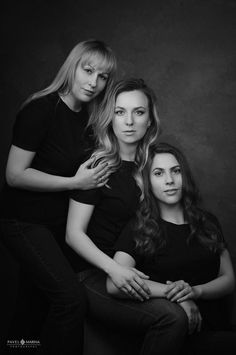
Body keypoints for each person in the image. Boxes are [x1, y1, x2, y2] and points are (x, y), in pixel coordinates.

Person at [0, 39, 117, 355]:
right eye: (87, 70)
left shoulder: (88, 117)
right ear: (72, 67)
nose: (93, 82)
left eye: (102, 76)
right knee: (70, 299)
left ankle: (16, 348)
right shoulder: (42, 108)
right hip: (22, 222)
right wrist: (74, 181)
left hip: (52, 226)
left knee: (31, 308)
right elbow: (14, 175)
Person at [66, 79, 189, 355]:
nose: (129, 121)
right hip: (95, 274)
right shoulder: (99, 165)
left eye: (139, 112)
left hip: (137, 271)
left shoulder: (154, 166)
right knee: (172, 318)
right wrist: (114, 269)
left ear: (150, 120)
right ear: (110, 118)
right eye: (120, 112)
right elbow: (73, 233)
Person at [107, 142, 236, 354]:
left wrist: (194, 292)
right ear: (147, 181)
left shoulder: (207, 221)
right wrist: (174, 296)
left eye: (175, 171)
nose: (169, 181)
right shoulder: (138, 227)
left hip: (217, 328)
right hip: (174, 337)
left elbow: (229, 279)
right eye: (158, 173)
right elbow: (114, 284)